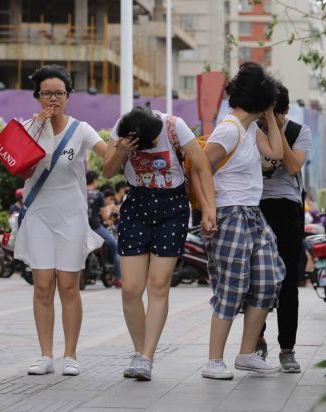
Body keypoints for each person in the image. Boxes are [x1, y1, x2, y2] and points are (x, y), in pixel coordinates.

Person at [103, 104, 216, 381]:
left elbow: (202, 166)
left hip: (172, 207)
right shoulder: (121, 129)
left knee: (158, 284)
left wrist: (209, 209)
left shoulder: (174, 126)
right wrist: (121, 151)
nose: (154, 145)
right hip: (137, 204)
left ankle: (146, 357)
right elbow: (108, 171)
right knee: (130, 288)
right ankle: (138, 350)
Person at [14, 65, 106, 377]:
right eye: (47, 93)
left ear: (68, 96)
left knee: (68, 285)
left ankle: (70, 354)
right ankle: (45, 354)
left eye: (59, 93)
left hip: (71, 216)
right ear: (37, 96)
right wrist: (37, 127)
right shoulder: (26, 128)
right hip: (39, 214)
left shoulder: (81, 129)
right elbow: (19, 169)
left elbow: (108, 155)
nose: (53, 99)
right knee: (42, 284)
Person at [199, 62, 285, 380]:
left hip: (253, 214)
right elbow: (200, 167)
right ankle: (214, 361)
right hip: (230, 214)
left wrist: (269, 115)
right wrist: (209, 208)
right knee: (231, 287)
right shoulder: (230, 129)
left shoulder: (249, 129)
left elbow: (276, 153)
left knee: (268, 280)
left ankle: (247, 354)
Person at [256, 81, 312, 373]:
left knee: (288, 281)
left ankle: (287, 349)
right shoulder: (250, 129)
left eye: (272, 112)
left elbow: (292, 167)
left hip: (287, 208)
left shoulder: (299, 131)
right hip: (254, 206)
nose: (266, 118)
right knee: (256, 278)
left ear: (285, 110)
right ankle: (257, 340)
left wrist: (277, 131)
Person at [86, 171, 122, 287]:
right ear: (94, 181)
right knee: (116, 246)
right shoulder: (99, 195)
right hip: (96, 227)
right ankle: (119, 278)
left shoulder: (80, 192)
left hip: (82, 228)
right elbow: (105, 217)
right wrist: (111, 212)